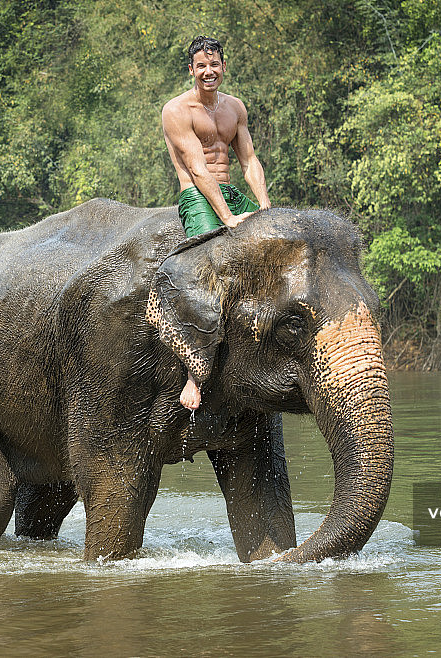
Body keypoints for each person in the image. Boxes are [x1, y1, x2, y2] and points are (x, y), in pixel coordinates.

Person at [162, 35, 271, 411]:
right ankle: (194, 370)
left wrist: (264, 207)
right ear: (191, 70)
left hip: (229, 190)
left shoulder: (235, 108)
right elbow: (197, 166)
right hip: (198, 193)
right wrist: (227, 218)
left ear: (223, 67)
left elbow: (249, 161)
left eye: (215, 65)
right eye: (201, 66)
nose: (209, 72)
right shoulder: (177, 110)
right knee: (208, 263)